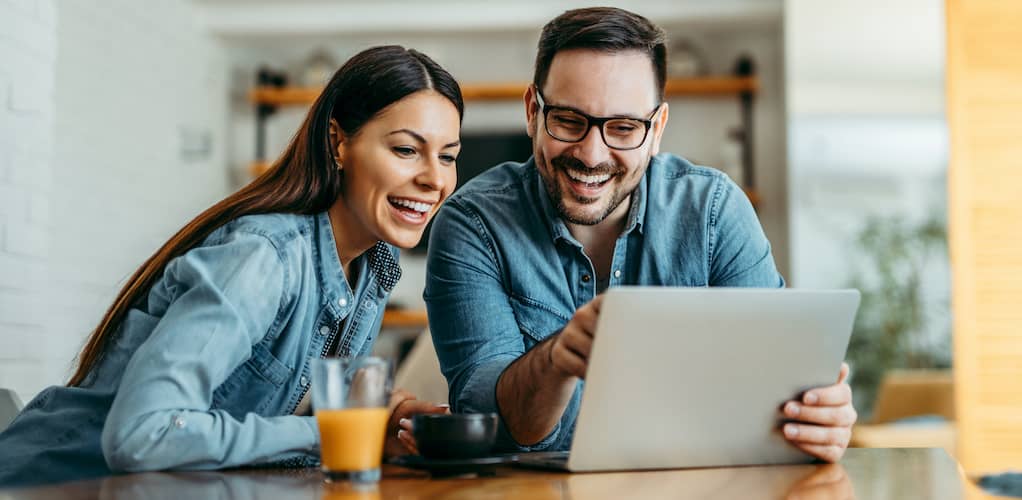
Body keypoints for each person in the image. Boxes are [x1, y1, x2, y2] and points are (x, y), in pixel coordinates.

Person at [0, 45, 459, 486]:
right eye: (405, 150)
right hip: (47, 485)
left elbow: (308, 409)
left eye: (448, 156)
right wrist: (339, 434)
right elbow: (142, 435)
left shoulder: (373, 267)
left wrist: (385, 416)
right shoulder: (262, 257)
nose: (434, 179)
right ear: (338, 142)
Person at [424, 7, 857, 462]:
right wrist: (555, 362)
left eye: (624, 128)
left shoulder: (714, 211)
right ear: (533, 111)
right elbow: (488, 424)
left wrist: (818, 420)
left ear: (657, 129)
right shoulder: (471, 224)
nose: (592, 155)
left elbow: (773, 387)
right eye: (569, 121)